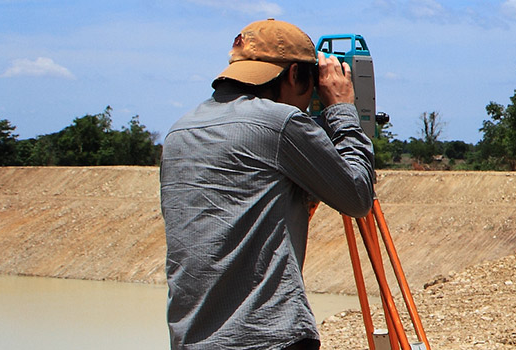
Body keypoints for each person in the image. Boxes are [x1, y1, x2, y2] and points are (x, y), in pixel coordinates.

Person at [160, 19, 375, 350]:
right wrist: (343, 112)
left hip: (192, 338)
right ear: (293, 75)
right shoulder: (280, 124)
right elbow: (358, 196)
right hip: (268, 337)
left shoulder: (180, 132)